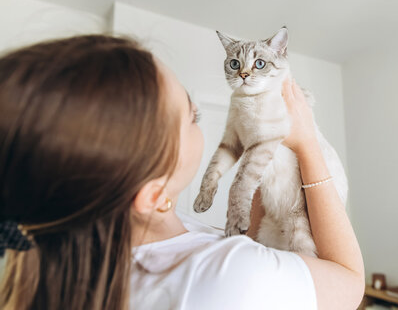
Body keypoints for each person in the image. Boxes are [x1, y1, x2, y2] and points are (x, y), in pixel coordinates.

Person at [0, 34, 365, 310]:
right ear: (152, 195)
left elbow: (251, 247)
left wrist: (267, 140)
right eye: (193, 117)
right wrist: (305, 141)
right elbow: (349, 283)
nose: (200, 124)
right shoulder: (226, 277)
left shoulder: (112, 252)